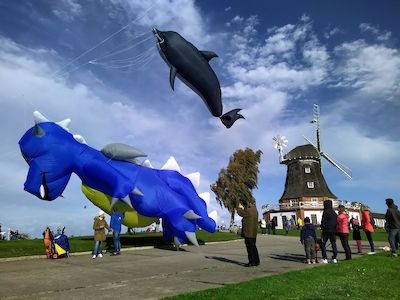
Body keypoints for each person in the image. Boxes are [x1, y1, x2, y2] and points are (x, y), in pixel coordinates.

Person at [236, 202, 260, 267]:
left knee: (250, 248)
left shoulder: (249, 210)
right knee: (253, 247)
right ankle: (256, 261)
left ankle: (251, 262)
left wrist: (238, 207)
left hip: (248, 232)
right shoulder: (255, 210)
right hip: (253, 232)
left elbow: (241, 213)